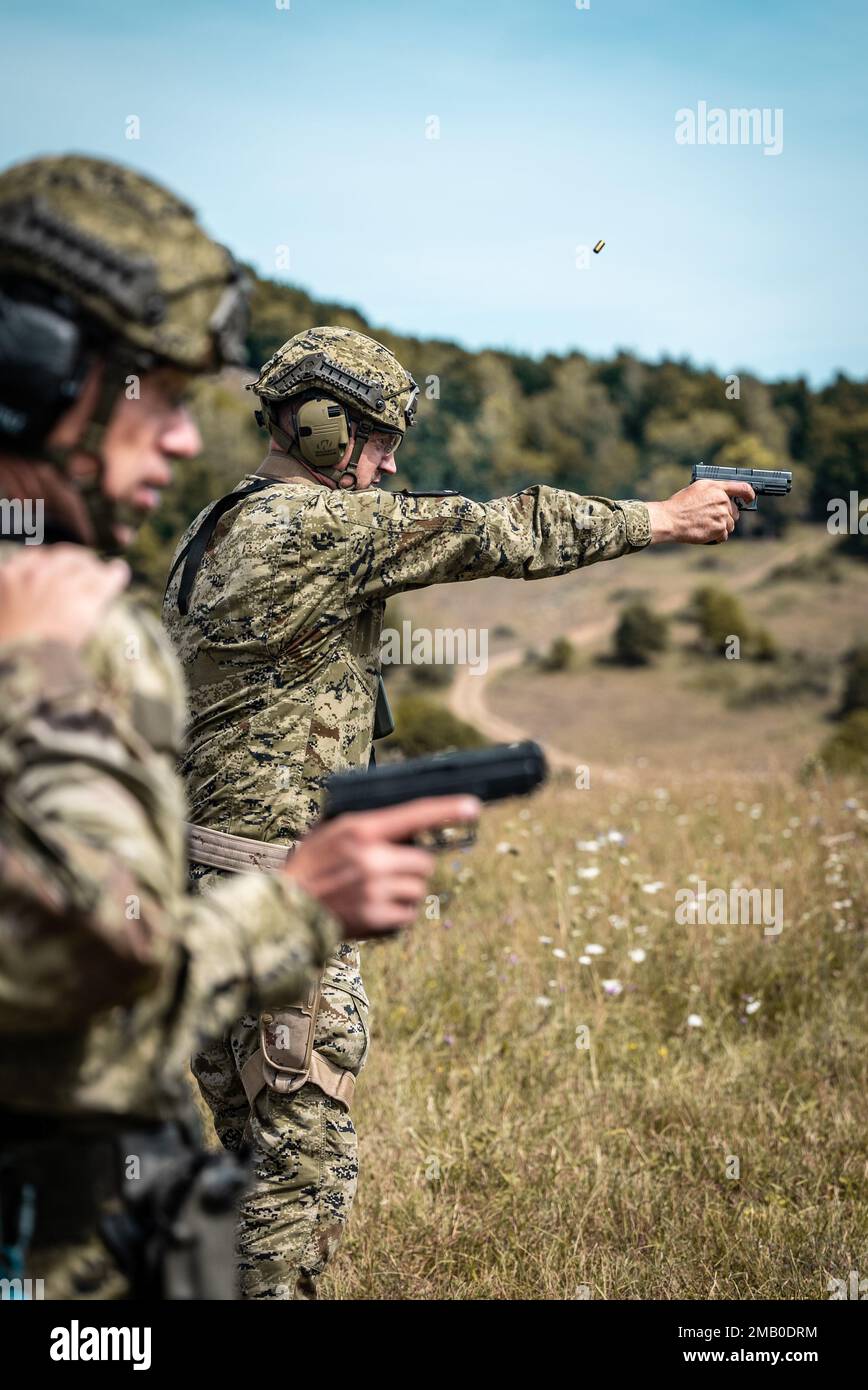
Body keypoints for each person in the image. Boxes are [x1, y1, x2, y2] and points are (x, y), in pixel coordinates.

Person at [163, 325, 755, 1299]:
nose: (392, 461)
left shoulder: (218, 524)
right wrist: (659, 517)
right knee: (294, 1193)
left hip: (211, 887)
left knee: (245, 1165)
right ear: (317, 428)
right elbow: (496, 529)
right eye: (377, 438)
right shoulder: (311, 528)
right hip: (276, 902)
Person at [0, 158, 478, 1300]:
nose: (173, 437)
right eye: (149, 395)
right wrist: (297, 905)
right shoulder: (58, 629)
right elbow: (79, 969)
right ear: (36, 370)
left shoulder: (77, 579)